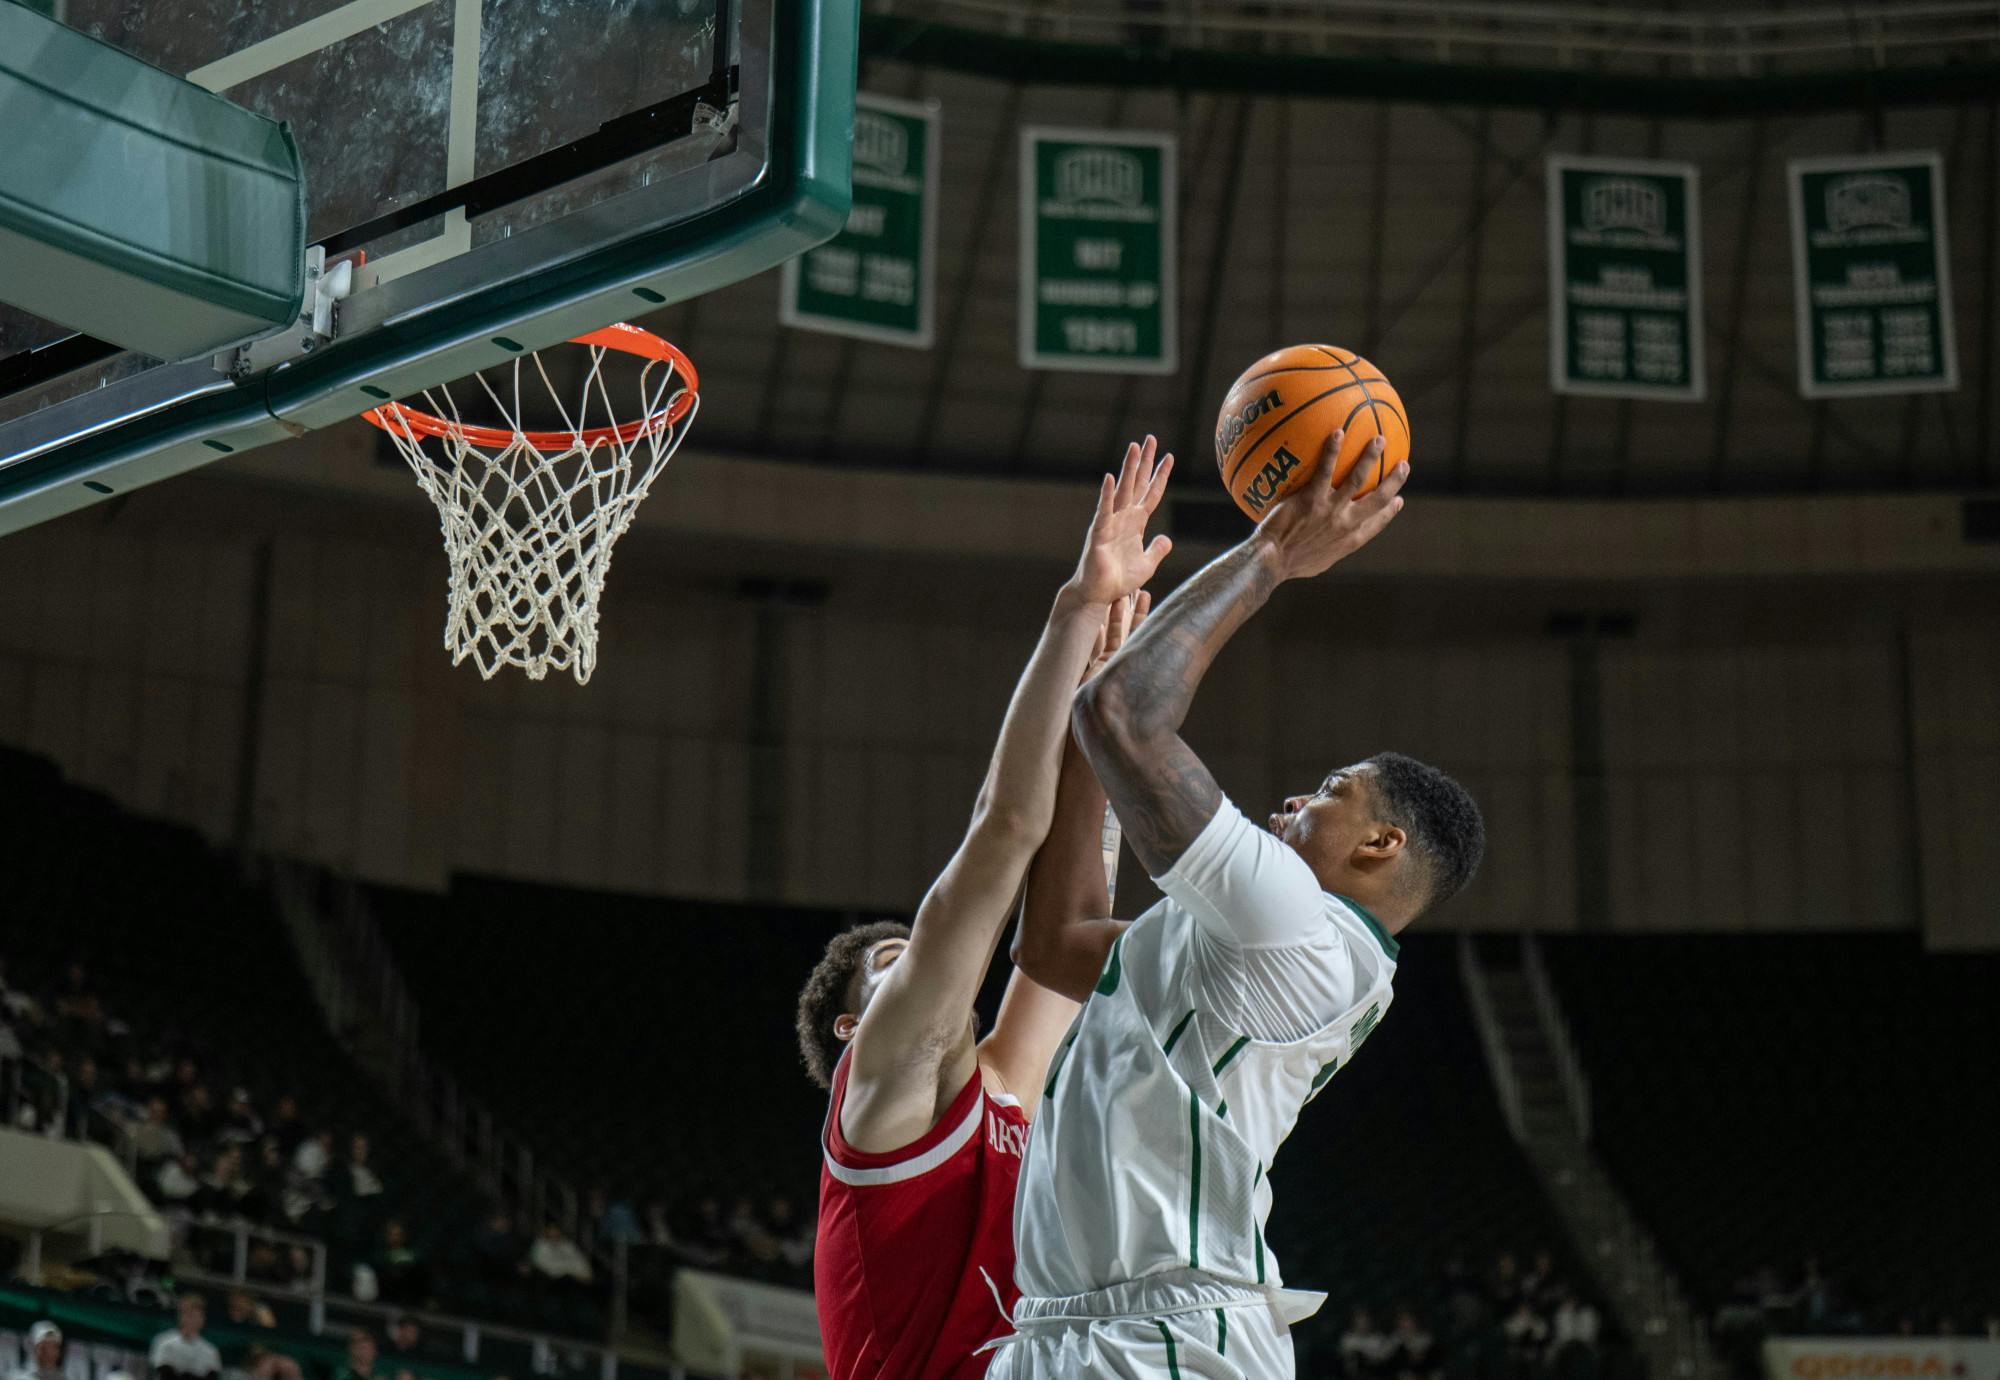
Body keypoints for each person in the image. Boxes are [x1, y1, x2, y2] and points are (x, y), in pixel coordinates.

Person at [993, 435, 1484, 1378]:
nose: (1298, 799)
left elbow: (1126, 718)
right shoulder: (1259, 944)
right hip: (1064, 1327)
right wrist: (1090, 721)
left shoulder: (1297, 931)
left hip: (1170, 1336)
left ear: (1383, 845)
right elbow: (1054, 946)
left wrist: (1273, 554)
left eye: (1333, 788)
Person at [802, 439, 1175, 1380]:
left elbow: (1070, 934)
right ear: (855, 1028)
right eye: (893, 959)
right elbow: (1006, 829)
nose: (924, 960)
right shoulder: (882, 1095)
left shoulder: (1000, 1088)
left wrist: (1105, 701)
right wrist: (1074, 611)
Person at [151, 1294, 223, 1379]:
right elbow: (165, 1373)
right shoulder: (164, 1341)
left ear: (202, 1319)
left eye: (195, 1316)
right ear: (180, 1316)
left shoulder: (211, 1351)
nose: (191, 1320)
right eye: (188, 1315)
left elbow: (212, 1376)